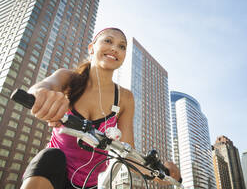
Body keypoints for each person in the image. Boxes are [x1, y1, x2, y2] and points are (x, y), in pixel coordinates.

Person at [21, 28, 180, 189]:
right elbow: (43, 87)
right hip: (52, 170)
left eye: (122, 47)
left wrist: (161, 174)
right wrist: (41, 94)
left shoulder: (124, 98)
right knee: (51, 157)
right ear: (91, 48)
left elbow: (128, 152)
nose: (115, 48)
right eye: (108, 41)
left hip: (91, 183)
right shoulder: (68, 78)